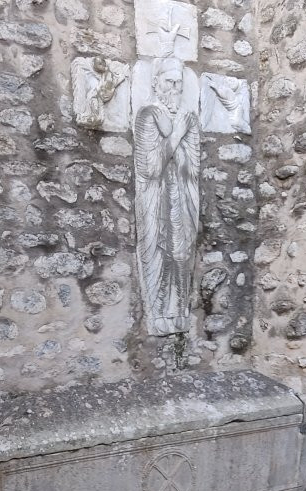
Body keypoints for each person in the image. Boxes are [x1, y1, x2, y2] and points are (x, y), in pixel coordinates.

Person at [134, 57, 199, 337]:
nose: (174, 88)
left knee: (182, 253)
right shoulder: (147, 115)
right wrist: (174, 137)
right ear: (155, 83)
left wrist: (175, 134)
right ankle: (158, 311)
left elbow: (192, 168)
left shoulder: (189, 119)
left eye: (178, 83)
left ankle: (180, 310)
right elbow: (150, 169)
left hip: (182, 196)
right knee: (159, 252)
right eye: (169, 81)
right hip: (155, 198)